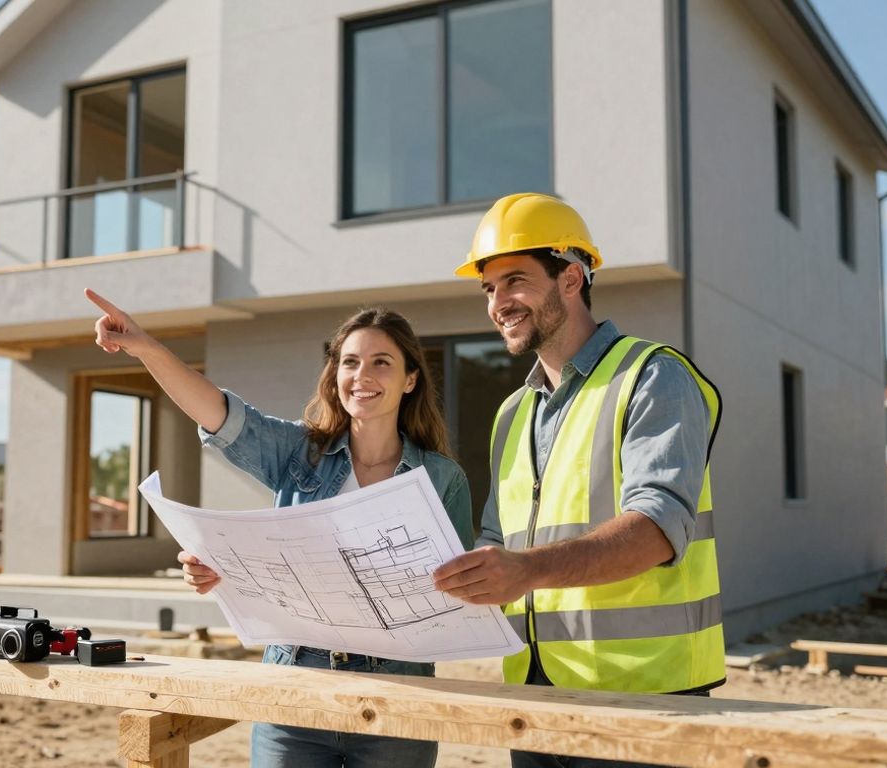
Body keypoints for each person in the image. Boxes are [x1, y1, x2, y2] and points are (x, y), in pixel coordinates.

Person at [84, 288, 473, 768]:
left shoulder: (441, 478)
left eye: (382, 363)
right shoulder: (299, 453)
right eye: (350, 362)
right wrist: (145, 346)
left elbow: (457, 600)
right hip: (293, 686)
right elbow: (219, 414)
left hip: (398, 692)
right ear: (335, 375)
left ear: (410, 379)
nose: (362, 376)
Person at [431, 193, 723, 768]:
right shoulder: (513, 412)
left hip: (644, 697)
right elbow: (499, 540)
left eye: (515, 281)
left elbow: (658, 528)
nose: (498, 304)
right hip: (534, 694)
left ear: (570, 277)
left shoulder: (652, 376)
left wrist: (525, 569)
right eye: (488, 289)